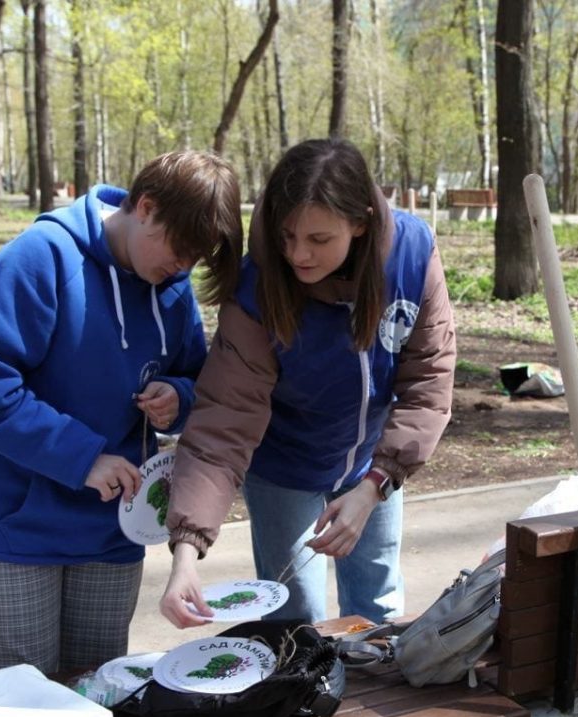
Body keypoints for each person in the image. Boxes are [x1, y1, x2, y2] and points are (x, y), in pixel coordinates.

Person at [0, 151, 242, 679]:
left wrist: (177, 397)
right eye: (180, 250)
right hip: (12, 525)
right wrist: (83, 459)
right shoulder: (39, 259)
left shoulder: (170, 289)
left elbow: (198, 380)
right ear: (145, 207)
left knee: (96, 690)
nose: (184, 268)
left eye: (196, 259)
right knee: (18, 704)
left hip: (110, 530)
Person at [159, 138, 456, 628]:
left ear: (360, 223)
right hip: (283, 466)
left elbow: (429, 378)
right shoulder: (259, 286)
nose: (298, 254)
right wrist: (187, 549)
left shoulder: (412, 256)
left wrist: (376, 485)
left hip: (373, 462)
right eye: (288, 235)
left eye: (319, 240)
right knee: (292, 616)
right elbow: (223, 420)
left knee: (375, 609)